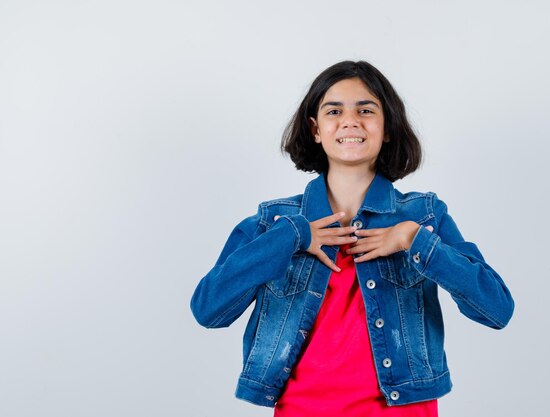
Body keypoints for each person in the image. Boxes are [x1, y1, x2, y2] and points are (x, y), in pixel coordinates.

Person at [190, 60, 514, 416]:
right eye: (334, 110)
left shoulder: (424, 217)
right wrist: (293, 236)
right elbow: (209, 310)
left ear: (387, 128)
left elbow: (496, 309)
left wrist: (414, 240)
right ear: (315, 129)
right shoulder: (273, 223)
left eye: (365, 110)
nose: (350, 121)